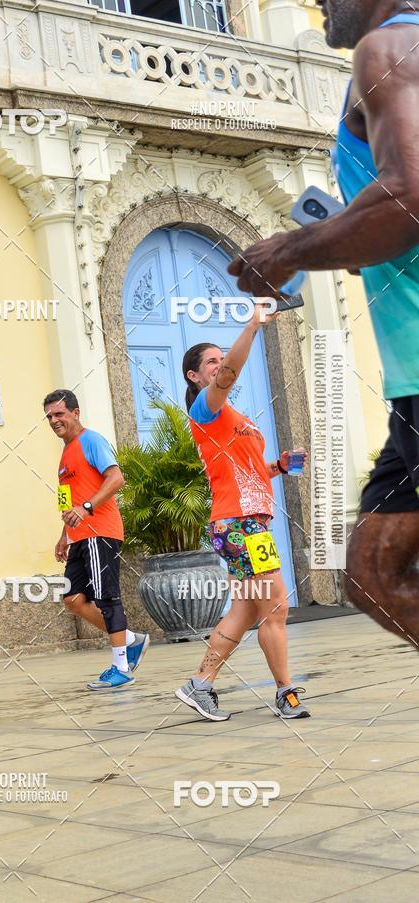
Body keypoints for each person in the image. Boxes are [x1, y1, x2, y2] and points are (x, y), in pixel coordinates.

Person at [227, 0, 419, 647]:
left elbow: (408, 197)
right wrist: (354, 244)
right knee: (371, 572)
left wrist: (289, 250)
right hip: (410, 383)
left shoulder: (386, 52)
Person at [174, 305, 310, 721]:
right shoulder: (207, 409)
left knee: (248, 609)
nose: (220, 365)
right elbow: (230, 372)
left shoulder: (236, 418)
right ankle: (285, 694)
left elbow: (250, 474)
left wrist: (280, 466)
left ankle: (200, 684)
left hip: (243, 521)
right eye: (211, 362)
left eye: (221, 358)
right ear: (195, 377)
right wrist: (253, 325)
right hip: (240, 524)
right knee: (276, 608)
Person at [44, 389, 149, 689]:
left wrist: (87, 507)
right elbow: (69, 500)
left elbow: (116, 478)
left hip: (100, 532)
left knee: (106, 598)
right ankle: (130, 640)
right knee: (74, 599)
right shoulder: (66, 453)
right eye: (50, 416)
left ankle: (122, 667)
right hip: (79, 537)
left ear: (76, 413)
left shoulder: (91, 440)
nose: (54, 420)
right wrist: (64, 536)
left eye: (60, 414)